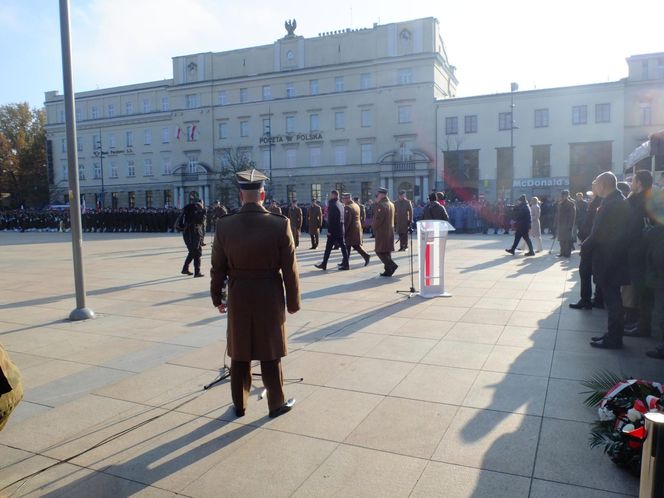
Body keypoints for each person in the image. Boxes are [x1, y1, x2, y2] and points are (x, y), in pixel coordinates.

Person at [210, 168, 300, 418]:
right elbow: (290, 270)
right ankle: (276, 404)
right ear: (263, 195)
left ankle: (239, 405)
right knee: (271, 351)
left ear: (241, 195)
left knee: (239, 351)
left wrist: (217, 297)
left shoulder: (224, 225)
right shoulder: (279, 224)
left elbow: (217, 267)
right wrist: (293, 302)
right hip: (269, 293)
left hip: (239, 293)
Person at [587, 172, 632, 349]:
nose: (594, 187)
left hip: (610, 259)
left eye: (596, 183)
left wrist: (586, 246)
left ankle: (614, 338)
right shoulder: (615, 201)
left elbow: (600, 232)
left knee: (613, 301)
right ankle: (612, 334)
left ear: (603, 185)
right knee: (612, 300)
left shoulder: (614, 203)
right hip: (611, 258)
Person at [315, 190, 349, 270]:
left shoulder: (332, 204)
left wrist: (329, 231)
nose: (330, 196)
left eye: (331, 195)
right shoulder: (341, 204)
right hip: (340, 229)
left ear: (333, 195)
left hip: (333, 230)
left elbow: (331, 219)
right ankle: (346, 264)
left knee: (328, 248)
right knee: (343, 247)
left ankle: (324, 264)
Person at [373, 187, 398, 276]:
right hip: (389, 231)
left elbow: (378, 219)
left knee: (379, 251)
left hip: (382, 232)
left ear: (382, 195)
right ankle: (388, 270)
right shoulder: (391, 204)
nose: (377, 196)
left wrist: (374, 227)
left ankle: (392, 265)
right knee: (387, 251)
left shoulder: (381, 205)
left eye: (378, 194)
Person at [341, 193, 370, 268]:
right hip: (356, 228)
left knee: (348, 246)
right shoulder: (356, 205)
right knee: (355, 245)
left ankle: (345, 264)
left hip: (351, 230)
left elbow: (347, 221)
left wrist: (344, 231)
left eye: (343, 199)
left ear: (347, 199)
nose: (343, 200)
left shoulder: (347, 207)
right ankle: (345, 262)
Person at [180, 195, 206, 277]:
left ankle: (186, 269)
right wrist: (203, 212)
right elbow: (200, 221)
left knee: (193, 252)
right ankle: (195, 271)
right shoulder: (195, 211)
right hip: (193, 234)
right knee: (196, 252)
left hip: (189, 234)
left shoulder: (188, 210)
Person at [555, 190, 576, 258]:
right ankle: (562, 252)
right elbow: (558, 214)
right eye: (562, 195)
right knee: (561, 239)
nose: (562, 197)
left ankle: (567, 253)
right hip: (561, 224)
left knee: (567, 240)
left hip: (567, 224)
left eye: (564, 195)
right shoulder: (560, 203)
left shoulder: (571, 204)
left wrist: (570, 225)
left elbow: (572, 216)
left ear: (567, 196)